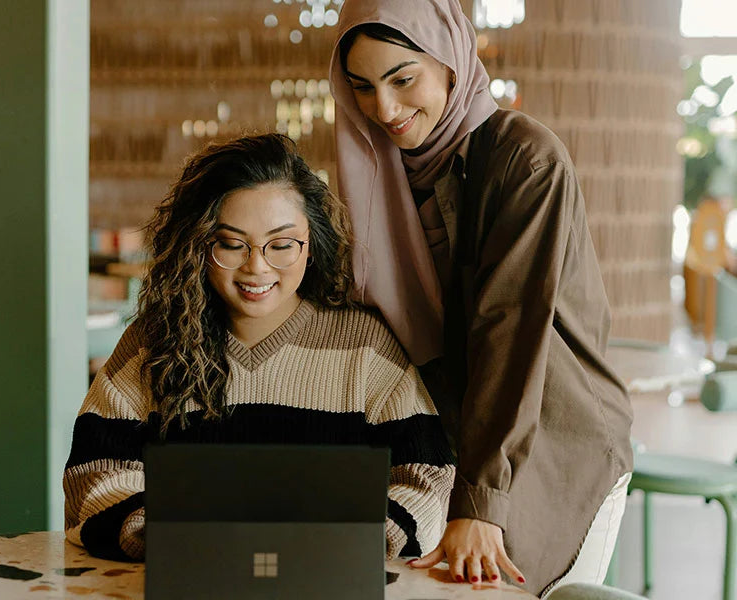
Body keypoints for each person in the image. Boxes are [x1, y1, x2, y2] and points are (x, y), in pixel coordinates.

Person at [329, 0, 633, 596]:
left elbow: (509, 327)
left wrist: (482, 498)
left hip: (550, 439)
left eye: (403, 78)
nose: (384, 109)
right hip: (450, 445)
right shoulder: (374, 173)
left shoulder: (525, 159)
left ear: (449, 63)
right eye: (362, 87)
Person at [63, 133, 455, 563]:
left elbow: (427, 478)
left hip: (328, 581)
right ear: (198, 244)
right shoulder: (152, 342)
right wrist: (177, 537)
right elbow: (93, 476)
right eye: (231, 244)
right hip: (184, 579)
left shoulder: (365, 346)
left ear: (311, 246)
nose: (257, 266)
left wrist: (351, 540)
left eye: (282, 245)